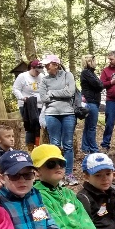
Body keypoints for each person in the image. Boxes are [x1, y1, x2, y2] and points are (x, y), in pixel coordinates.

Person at [37, 54, 78, 184]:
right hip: (51, 114)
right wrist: (61, 92)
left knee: (68, 144)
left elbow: (70, 92)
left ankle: (69, 174)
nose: (46, 67)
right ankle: (56, 174)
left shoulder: (68, 75)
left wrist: (52, 93)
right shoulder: (44, 80)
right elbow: (43, 98)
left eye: (48, 64)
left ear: (56, 64)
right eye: (45, 65)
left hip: (68, 113)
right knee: (55, 145)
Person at [12, 59, 43, 147]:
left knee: (39, 127)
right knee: (30, 127)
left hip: (40, 105)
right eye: (37, 71)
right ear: (32, 68)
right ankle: (30, 148)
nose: (38, 73)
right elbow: (15, 89)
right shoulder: (23, 76)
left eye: (40, 71)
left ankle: (38, 146)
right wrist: (22, 98)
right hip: (26, 105)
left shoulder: (42, 76)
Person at [79, 54, 104, 154]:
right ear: (90, 62)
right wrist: (100, 83)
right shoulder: (86, 72)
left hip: (93, 101)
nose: (96, 63)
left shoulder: (91, 73)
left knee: (88, 126)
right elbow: (99, 85)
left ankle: (85, 147)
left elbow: (99, 84)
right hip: (90, 102)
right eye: (94, 61)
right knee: (92, 127)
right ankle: (93, 149)